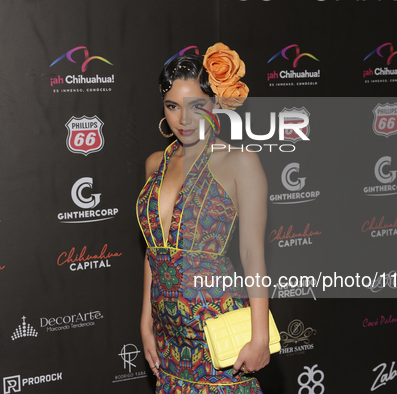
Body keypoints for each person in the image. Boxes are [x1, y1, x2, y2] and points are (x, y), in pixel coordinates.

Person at [137, 43, 270, 393]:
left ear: (215, 104)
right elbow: (155, 250)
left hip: (216, 333)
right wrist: (146, 322)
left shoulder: (239, 162)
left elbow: (253, 253)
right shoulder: (155, 164)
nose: (184, 119)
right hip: (167, 337)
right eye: (172, 106)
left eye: (197, 105)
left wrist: (260, 338)